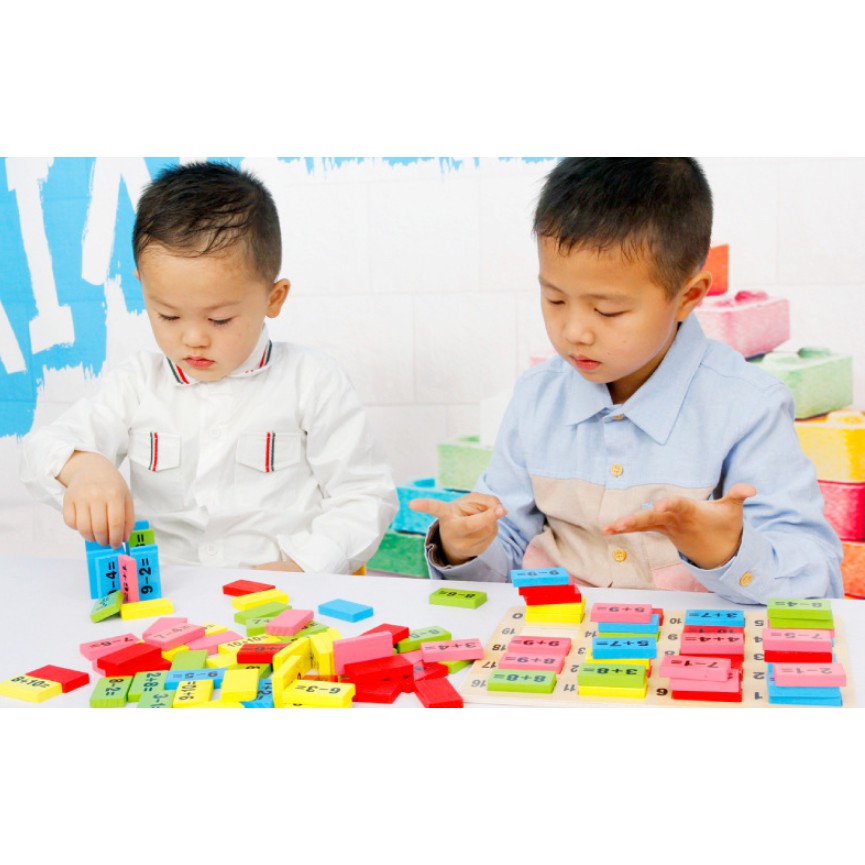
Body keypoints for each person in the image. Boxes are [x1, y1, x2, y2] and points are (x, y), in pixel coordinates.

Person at [411, 157, 843, 604]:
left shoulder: (747, 404)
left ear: (688, 296)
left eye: (608, 310)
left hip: (689, 654)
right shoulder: (537, 396)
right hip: (560, 645)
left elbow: (818, 578)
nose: (575, 331)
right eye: (555, 299)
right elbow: (505, 547)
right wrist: (464, 547)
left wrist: (727, 552)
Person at [20, 161, 398, 574]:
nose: (194, 339)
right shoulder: (136, 383)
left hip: (285, 596)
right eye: (167, 316)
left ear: (274, 297)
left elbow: (364, 495)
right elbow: (43, 450)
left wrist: (305, 566)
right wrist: (82, 467)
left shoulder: (313, 380)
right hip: (173, 597)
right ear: (143, 287)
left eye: (219, 320)